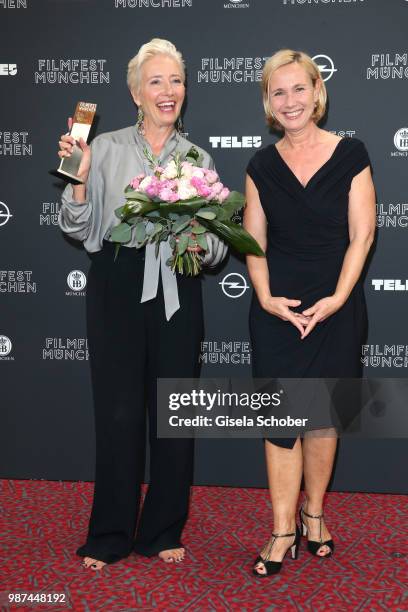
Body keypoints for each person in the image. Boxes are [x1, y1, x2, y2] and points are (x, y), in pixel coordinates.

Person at [58, 38, 227, 570]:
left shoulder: (198, 159)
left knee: (175, 413)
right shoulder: (101, 148)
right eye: (156, 81)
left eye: (175, 81)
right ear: (136, 92)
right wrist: (80, 183)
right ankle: (109, 534)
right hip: (118, 280)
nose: (168, 90)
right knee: (118, 413)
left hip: (177, 280)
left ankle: (161, 530)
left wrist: (196, 231)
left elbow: (219, 249)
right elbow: (79, 230)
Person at [244, 49, 375, 577]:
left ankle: (314, 515)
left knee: (322, 420)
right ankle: (281, 530)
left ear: (318, 92)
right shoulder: (260, 165)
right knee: (280, 422)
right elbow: (252, 241)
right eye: (279, 92)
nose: (291, 101)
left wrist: (340, 298)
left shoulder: (352, 153)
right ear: (268, 103)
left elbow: (362, 234)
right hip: (279, 309)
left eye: (300, 89)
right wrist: (264, 296)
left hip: (335, 304)